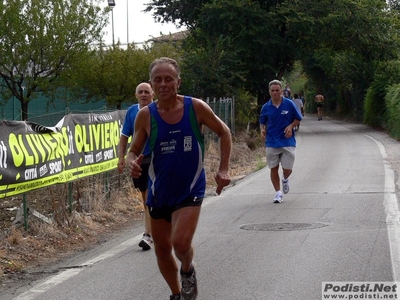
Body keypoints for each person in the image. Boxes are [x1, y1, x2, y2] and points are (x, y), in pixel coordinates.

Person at [126, 57, 232, 300]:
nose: (163, 84)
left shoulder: (196, 108)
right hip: (159, 191)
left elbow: (224, 132)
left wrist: (223, 169)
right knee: (162, 250)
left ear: (178, 82)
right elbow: (134, 150)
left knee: (180, 244)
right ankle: (177, 294)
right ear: (152, 85)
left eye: (169, 79)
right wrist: (132, 161)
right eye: (158, 80)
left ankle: (187, 270)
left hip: (190, 188)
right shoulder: (145, 116)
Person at [118, 82, 154, 250]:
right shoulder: (132, 112)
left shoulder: (158, 109)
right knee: (146, 198)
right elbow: (124, 136)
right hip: (139, 161)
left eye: (147, 91)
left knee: (155, 195)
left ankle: (151, 233)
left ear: (152, 93)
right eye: (140, 92)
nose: (144, 94)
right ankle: (150, 232)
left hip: (157, 159)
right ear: (136, 95)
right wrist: (122, 158)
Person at [259, 79, 303, 203]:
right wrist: (262, 130)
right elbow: (262, 122)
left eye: (277, 90)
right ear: (269, 92)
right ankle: (278, 193)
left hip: (287, 141)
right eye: (272, 91)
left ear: (282, 91)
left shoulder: (289, 104)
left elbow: (298, 118)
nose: (275, 93)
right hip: (272, 142)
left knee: (287, 169)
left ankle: (285, 178)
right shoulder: (266, 107)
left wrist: (290, 126)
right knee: (273, 168)